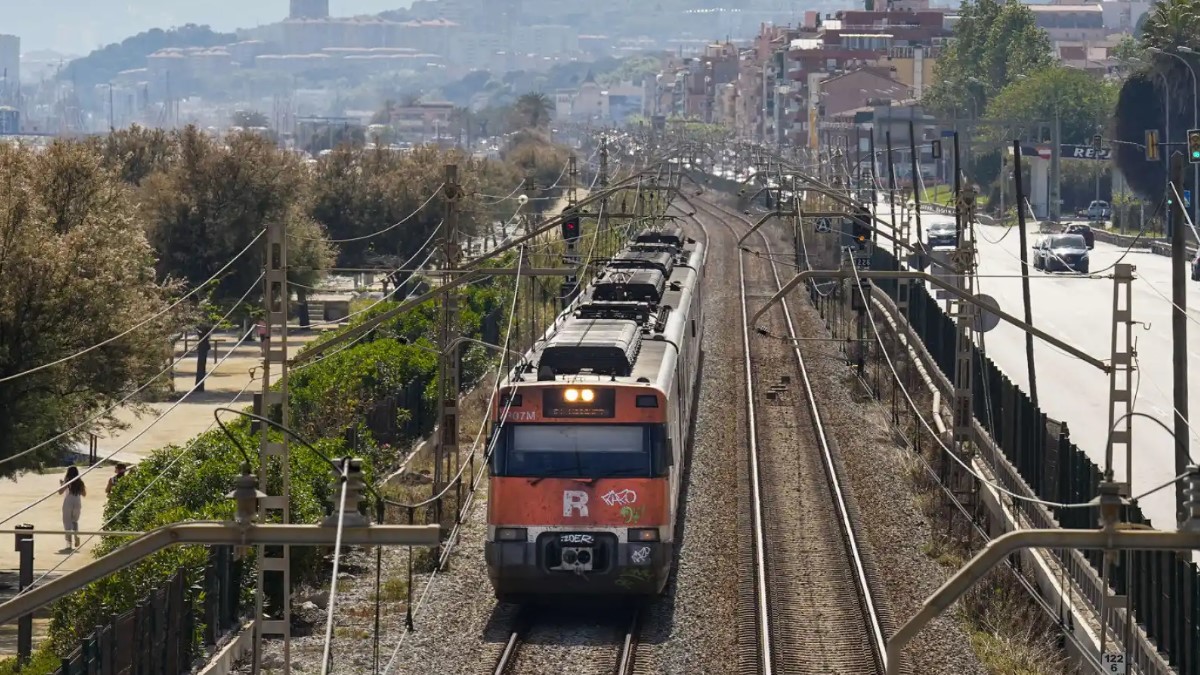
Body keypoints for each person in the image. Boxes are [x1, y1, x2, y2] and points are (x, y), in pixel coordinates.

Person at [58, 466, 86, 552]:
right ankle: (76, 535)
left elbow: (60, 492)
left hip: (68, 502)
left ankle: (69, 543)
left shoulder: (67, 481)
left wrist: (62, 484)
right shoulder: (80, 482)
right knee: (74, 521)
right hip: (77, 502)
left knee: (67, 522)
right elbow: (84, 494)